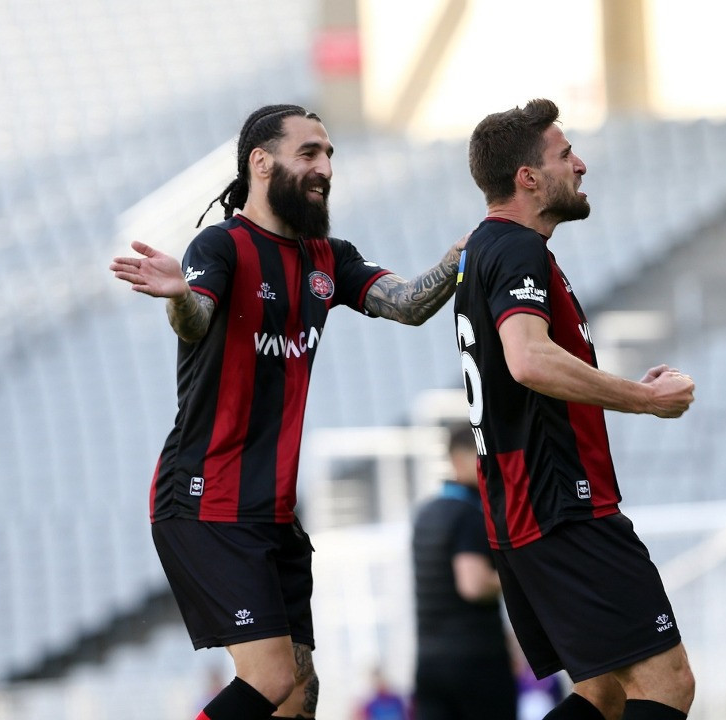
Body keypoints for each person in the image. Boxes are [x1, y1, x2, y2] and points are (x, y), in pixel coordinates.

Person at [110, 104, 465, 720]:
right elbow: (195, 317)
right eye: (309, 153)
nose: (325, 166)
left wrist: (464, 255)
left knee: (299, 692)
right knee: (271, 677)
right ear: (262, 161)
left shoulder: (329, 257)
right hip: (208, 497)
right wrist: (178, 296)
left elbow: (408, 304)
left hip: (272, 509)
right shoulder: (220, 245)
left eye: (329, 154)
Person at [453, 98, 697, 720]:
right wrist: (644, 400)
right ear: (528, 178)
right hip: (562, 505)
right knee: (667, 684)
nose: (581, 165)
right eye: (565, 155)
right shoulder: (516, 249)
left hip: (525, 509)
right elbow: (528, 360)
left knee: (604, 695)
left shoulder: (487, 250)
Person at [411, 424, 517, 720]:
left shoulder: (426, 514)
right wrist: (521, 579)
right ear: (459, 460)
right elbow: (473, 584)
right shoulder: (469, 514)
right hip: (476, 662)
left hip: (429, 661)